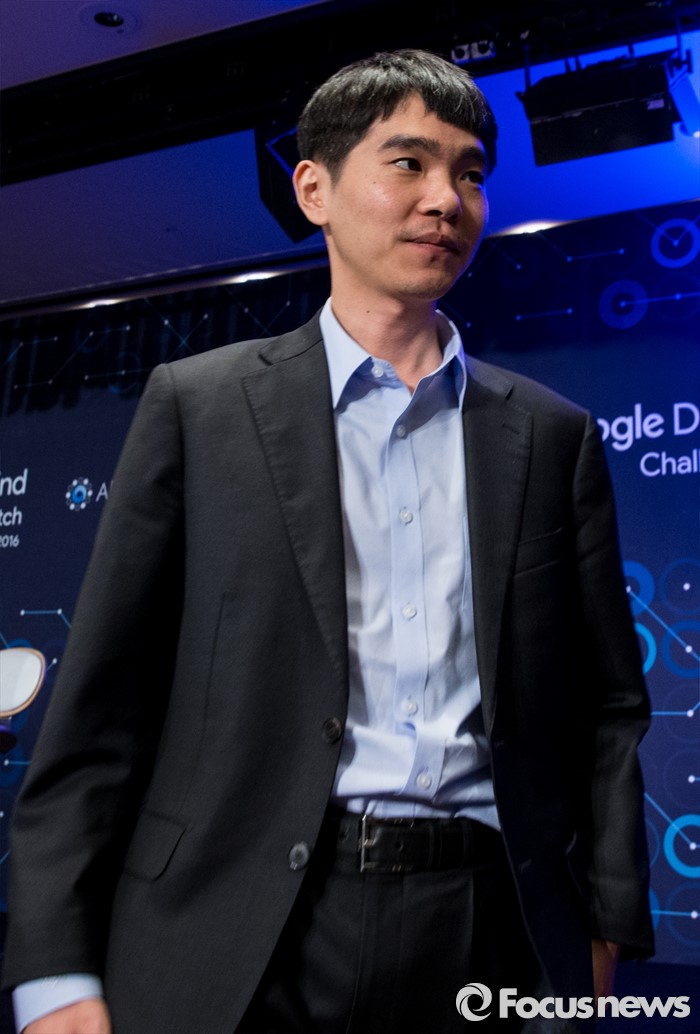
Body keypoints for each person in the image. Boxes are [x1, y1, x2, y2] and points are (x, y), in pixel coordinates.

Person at [3, 49, 653, 1034]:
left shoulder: (551, 435)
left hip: (490, 925)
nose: (446, 200)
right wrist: (55, 973)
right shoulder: (201, 407)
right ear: (315, 189)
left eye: (471, 174)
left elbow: (605, 709)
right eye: (409, 163)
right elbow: (102, 704)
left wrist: (601, 931)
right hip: (237, 924)